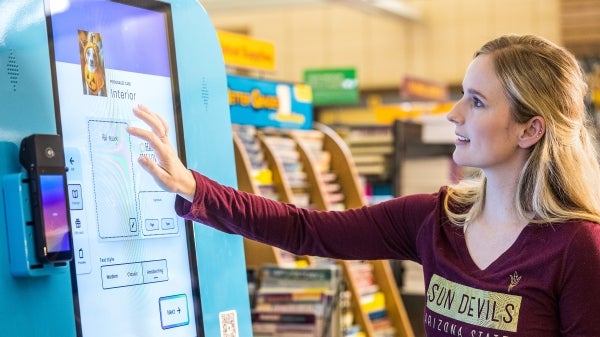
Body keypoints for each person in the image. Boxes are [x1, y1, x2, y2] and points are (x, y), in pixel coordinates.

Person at [127, 34, 600, 337]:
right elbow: (306, 230)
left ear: (530, 129)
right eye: (461, 95)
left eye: (476, 102)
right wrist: (195, 187)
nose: (454, 113)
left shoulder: (578, 247)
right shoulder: (435, 220)